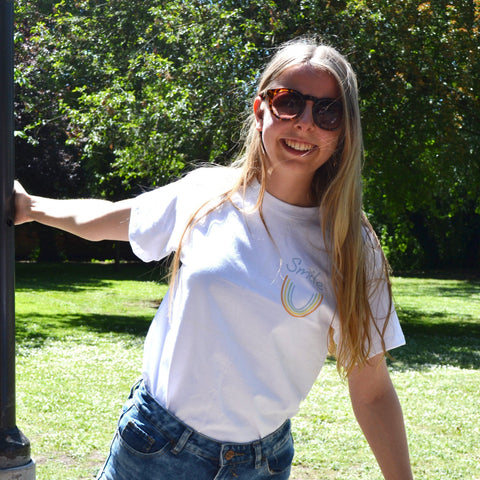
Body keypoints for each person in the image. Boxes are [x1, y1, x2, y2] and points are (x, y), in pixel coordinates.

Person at [14, 38, 414, 480]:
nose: (304, 123)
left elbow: (372, 391)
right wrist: (30, 207)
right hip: (154, 449)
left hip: (262, 466)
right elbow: (105, 219)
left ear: (343, 132)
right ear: (260, 109)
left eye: (327, 112)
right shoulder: (208, 193)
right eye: (288, 102)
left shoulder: (351, 245)